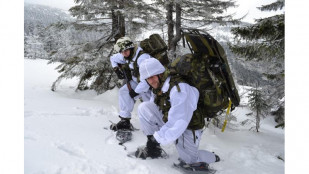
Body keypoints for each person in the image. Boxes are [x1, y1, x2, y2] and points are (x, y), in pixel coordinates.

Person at [134, 58, 220, 170]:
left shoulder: (179, 89)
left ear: (160, 74)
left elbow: (179, 122)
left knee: (190, 161)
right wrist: (153, 139)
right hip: (172, 120)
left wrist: (157, 138)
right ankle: (154, 150)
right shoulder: (160, 86)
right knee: (144, 108)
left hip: (189, 126)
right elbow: (155, 106)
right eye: (148, 79)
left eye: (152, 77)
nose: (151, 81)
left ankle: (214, 157)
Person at [110, 36, 151, 131]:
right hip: (137, 82)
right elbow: (113, 58)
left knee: (149, 105)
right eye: (121, 51)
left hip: (150, 85)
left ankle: (157, 126)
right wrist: (116, 69)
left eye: (126, 50)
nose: (124, 53)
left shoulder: (142, 58)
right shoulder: (126, 55)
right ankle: (125, 120)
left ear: (131, 47)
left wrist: (137, 91)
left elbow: (148, 78)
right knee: (124, 92)